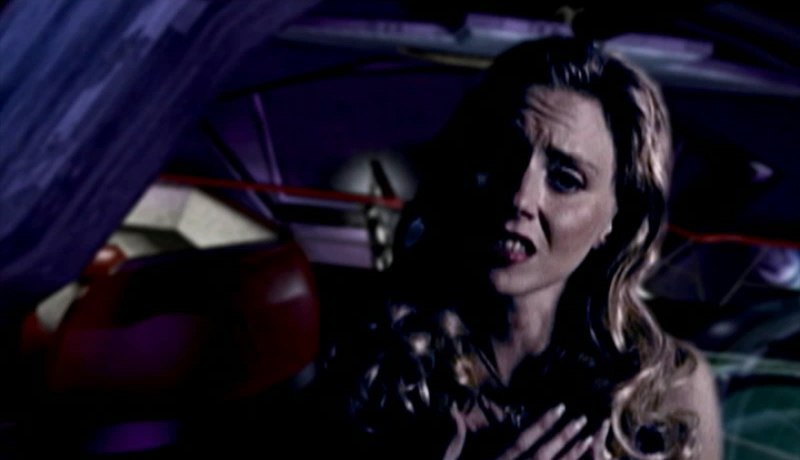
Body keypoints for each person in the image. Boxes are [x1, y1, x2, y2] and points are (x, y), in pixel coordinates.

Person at [322, 36, 721, 460]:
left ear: (614, 221)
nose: (519, 198)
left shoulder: (665, 389)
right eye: (500, 157)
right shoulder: (366, 357)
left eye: (565, 179)